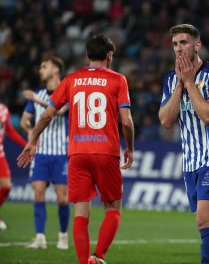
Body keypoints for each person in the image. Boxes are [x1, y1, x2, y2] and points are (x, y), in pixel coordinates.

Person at [17, 35, 134, 264]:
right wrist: (129, 148)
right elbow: (127, 122)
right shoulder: (118, 80)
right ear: (109, 55)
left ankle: (83, 262)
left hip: (77, 153)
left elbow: (48, 114)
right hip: (106, 152)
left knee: (81, 212)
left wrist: (32, 141)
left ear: (87, 56)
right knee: (113, 207)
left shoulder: (71, 79)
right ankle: (97, 255)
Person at [159, 24, 209, 264]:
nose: (179, 49)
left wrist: (191, 83)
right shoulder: (171, 79)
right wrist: (180, 85)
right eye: (175, 44)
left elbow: (208, 115)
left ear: (197, 45)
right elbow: (165, 120)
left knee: (204, 221)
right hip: (190, 161)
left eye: (184, 43)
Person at [20, 56, 70, 250]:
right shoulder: (38, 93)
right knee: (38, 193)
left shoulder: (65, 92)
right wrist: (30, 132)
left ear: (56, 70)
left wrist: (38, 101)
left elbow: (59, 111)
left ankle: (63, 236)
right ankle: (40, 237)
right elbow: (25, 120)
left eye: (44, 66)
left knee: (62, 198)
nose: (41, 70)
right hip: (40, 154)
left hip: (60, 153)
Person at [0, 103, 27, 230]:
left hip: (0, 154)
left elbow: (9, 130)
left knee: (7, 186)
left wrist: (25, 144)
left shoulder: (4, 110)